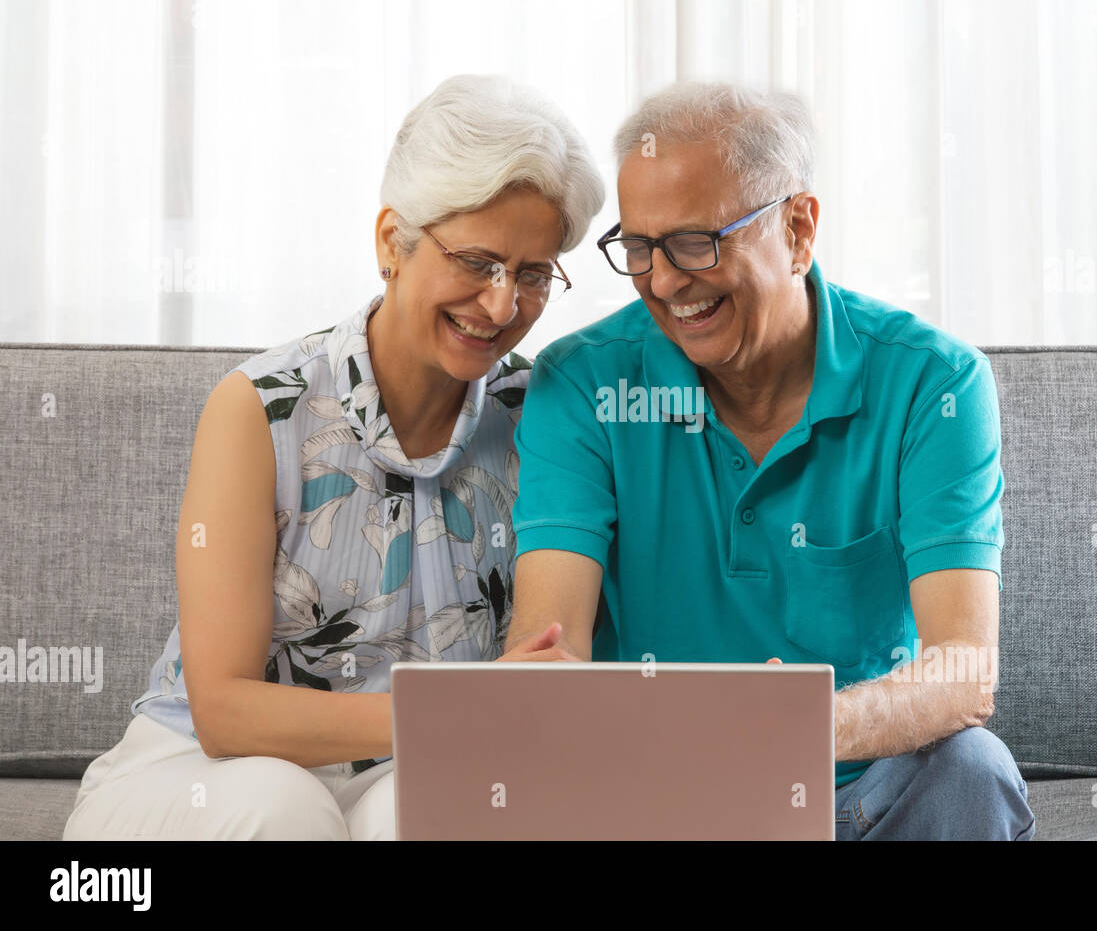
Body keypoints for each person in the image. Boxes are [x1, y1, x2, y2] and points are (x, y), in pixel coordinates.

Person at [62, 74, 604, 840]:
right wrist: (455, 714)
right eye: (478, 261)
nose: (502, 305)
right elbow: (223, 712)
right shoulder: (262, 407)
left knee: (440, 813)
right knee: (286, 811)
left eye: (534, 273)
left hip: (417, 768)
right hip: (205, 773)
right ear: (392, 242)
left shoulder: (540, 414)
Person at [504, 81, 1036, 840]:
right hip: (660, 806)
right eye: (639, 248)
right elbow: (550, 643)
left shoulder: (933, 383)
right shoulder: (582, 384)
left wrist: (811, 726)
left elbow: (963, 670)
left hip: (859, 799)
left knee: (972, 769)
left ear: (797, 227)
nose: (662, 281)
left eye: (695, 242)